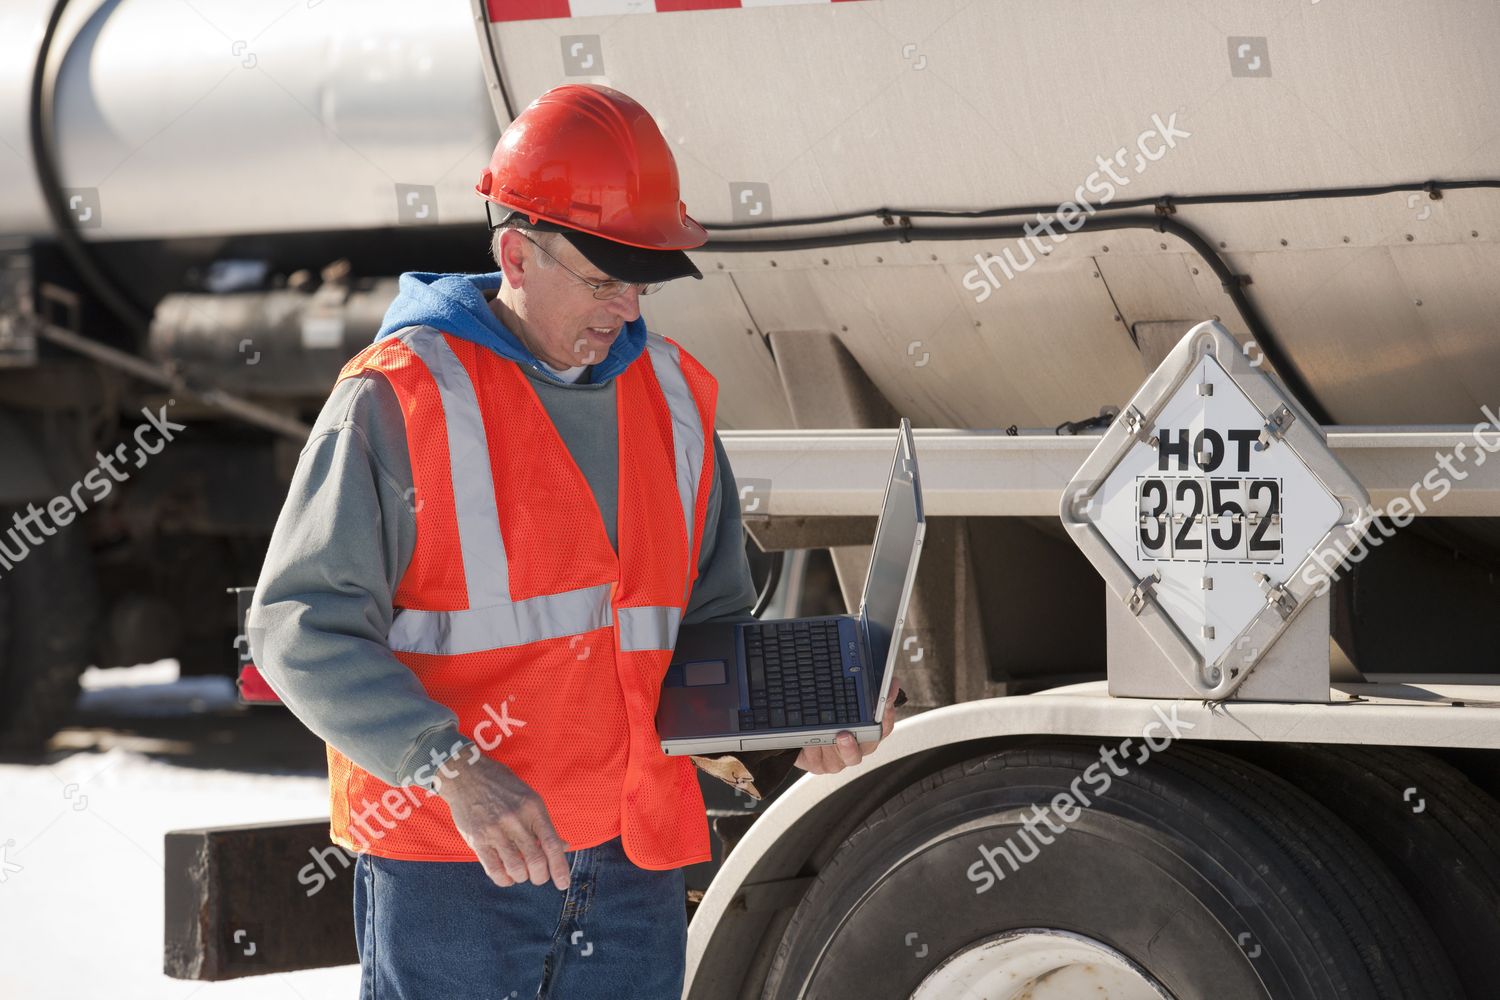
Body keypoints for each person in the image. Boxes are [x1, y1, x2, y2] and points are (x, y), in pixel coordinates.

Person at [248, 83, 900, 999]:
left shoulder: (673, 399)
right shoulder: (398, 398)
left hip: (631, 870)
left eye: (641, 282)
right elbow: (297, 628)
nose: (626, 310)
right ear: (515, 251)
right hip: (456, 865)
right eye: (602, 281)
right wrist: (456, 769)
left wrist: (787, 725)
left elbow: (696, 628)